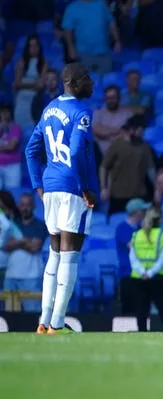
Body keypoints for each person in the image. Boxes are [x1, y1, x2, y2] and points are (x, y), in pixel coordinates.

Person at [25, 62, 99, 334]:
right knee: (70, 256)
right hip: (72, 188)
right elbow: (78, 150)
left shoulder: (48, 110)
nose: (92, 83)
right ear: (76, 83)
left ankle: (44, 322)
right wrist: (84, 187)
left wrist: (38, 187)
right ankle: (57, 323)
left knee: (54, 255)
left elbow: (31, 151)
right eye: (88, 78)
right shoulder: (81, 112)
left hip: (51, 187)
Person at [129, 209, 163, 332]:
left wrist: (143, 272)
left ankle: (142, 332)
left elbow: (132, 257)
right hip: (159, 277)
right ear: (160, 220)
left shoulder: (136, 234)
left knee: (141, 310)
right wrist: (150, 273)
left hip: (139, 277)